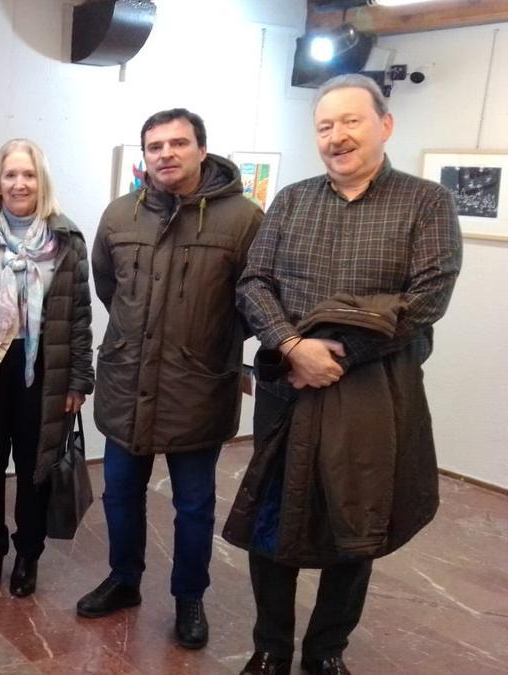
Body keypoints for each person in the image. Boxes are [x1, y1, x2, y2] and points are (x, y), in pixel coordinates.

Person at [227, 74, 462, 675]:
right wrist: (290, 344)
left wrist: (334, 355)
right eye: (325, 126)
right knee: (271, 523)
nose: (337, 136)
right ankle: (271, 649)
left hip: (373, 394)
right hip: (287, 390)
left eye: (351, 121)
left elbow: (426, 300)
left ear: (385, 124)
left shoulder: (425, 203)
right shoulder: (291, 200)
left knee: (356, 524)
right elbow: (254, 282)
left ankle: (326, 650)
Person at [76, 109, 263, 650]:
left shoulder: (243, 220)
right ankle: (123, 579)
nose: (165, 154)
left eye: (178, 143)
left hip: (196, 386)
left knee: (195, 505)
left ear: (202, 150)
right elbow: (109, 287)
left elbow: (254, 303)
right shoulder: (119, 216)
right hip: (127, 381)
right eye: (154, 146)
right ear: (144, 156)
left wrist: (204, 343)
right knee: (120, 496)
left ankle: (189, 598)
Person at [0, 139, 93, 597]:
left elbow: (81, 315)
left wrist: (79, 379)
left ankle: (28, 553)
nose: (19, 183)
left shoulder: (67, 239)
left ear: (40, 180)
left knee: (37, 468)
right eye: (10, 174)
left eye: (28, 174)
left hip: (44, 372)